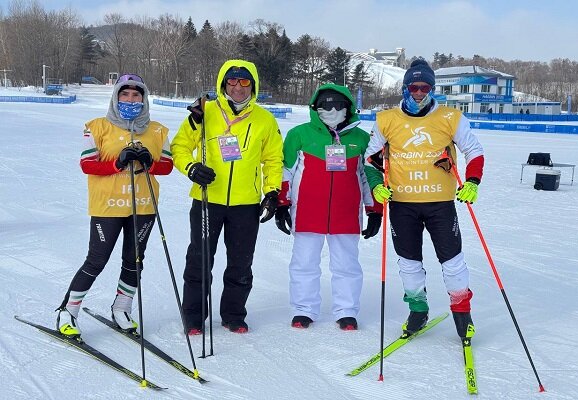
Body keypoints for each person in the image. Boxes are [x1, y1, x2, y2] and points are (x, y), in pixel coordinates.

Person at [364, 59, 484, 340]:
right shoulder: (386, 119)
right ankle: (418, 309)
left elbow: (474, 151)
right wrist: (376, 187)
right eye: (414, 87)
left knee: (453, 261)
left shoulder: (450, 117)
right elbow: (370, 160)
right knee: (409, 262)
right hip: (402, 203)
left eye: (425, 87)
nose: (419, 92)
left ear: (432, 88)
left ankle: (462, 312)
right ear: (405, 88)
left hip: (440, 204)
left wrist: (473, 182)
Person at [56, 74, 173, 337]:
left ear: (143, 99)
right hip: (107, 206)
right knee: (96, 260)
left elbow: (167, 166)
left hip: (143, 206)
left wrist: (149, 162)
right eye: (125, 94)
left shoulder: (157, 130)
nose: (130, 100)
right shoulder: (97, 126)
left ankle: (122, 308)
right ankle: (68, 311)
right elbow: (87, 164)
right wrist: (117, 163)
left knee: (134, 260)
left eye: (136, 95)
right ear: (115, 97)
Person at [171, 59, 283, 334]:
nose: (238, 87)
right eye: (231, 81)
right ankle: (194, 316)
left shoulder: (265, 119)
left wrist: (272, 190)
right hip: (208, 199)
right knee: (199, 258)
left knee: (241, 262)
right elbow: (180, 147)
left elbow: (272, 159)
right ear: (223, 84)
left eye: (244, 81)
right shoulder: (204, 111)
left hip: (245, 204)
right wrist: (192, 168)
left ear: (253, 85)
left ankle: (234, 314)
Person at [275, 84, 382, 331]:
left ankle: (346, 310)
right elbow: (285, 171)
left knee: (347, 264)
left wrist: (374, 209)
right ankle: (304, 309)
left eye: (338, 104)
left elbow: (369, 176)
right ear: (315, 107)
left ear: (348, 107)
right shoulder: (299, 134)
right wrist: (282, 203)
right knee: (304, 263)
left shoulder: (361, 138)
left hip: (345, 212)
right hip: (307, 211)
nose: (331, 110)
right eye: (325, 105)